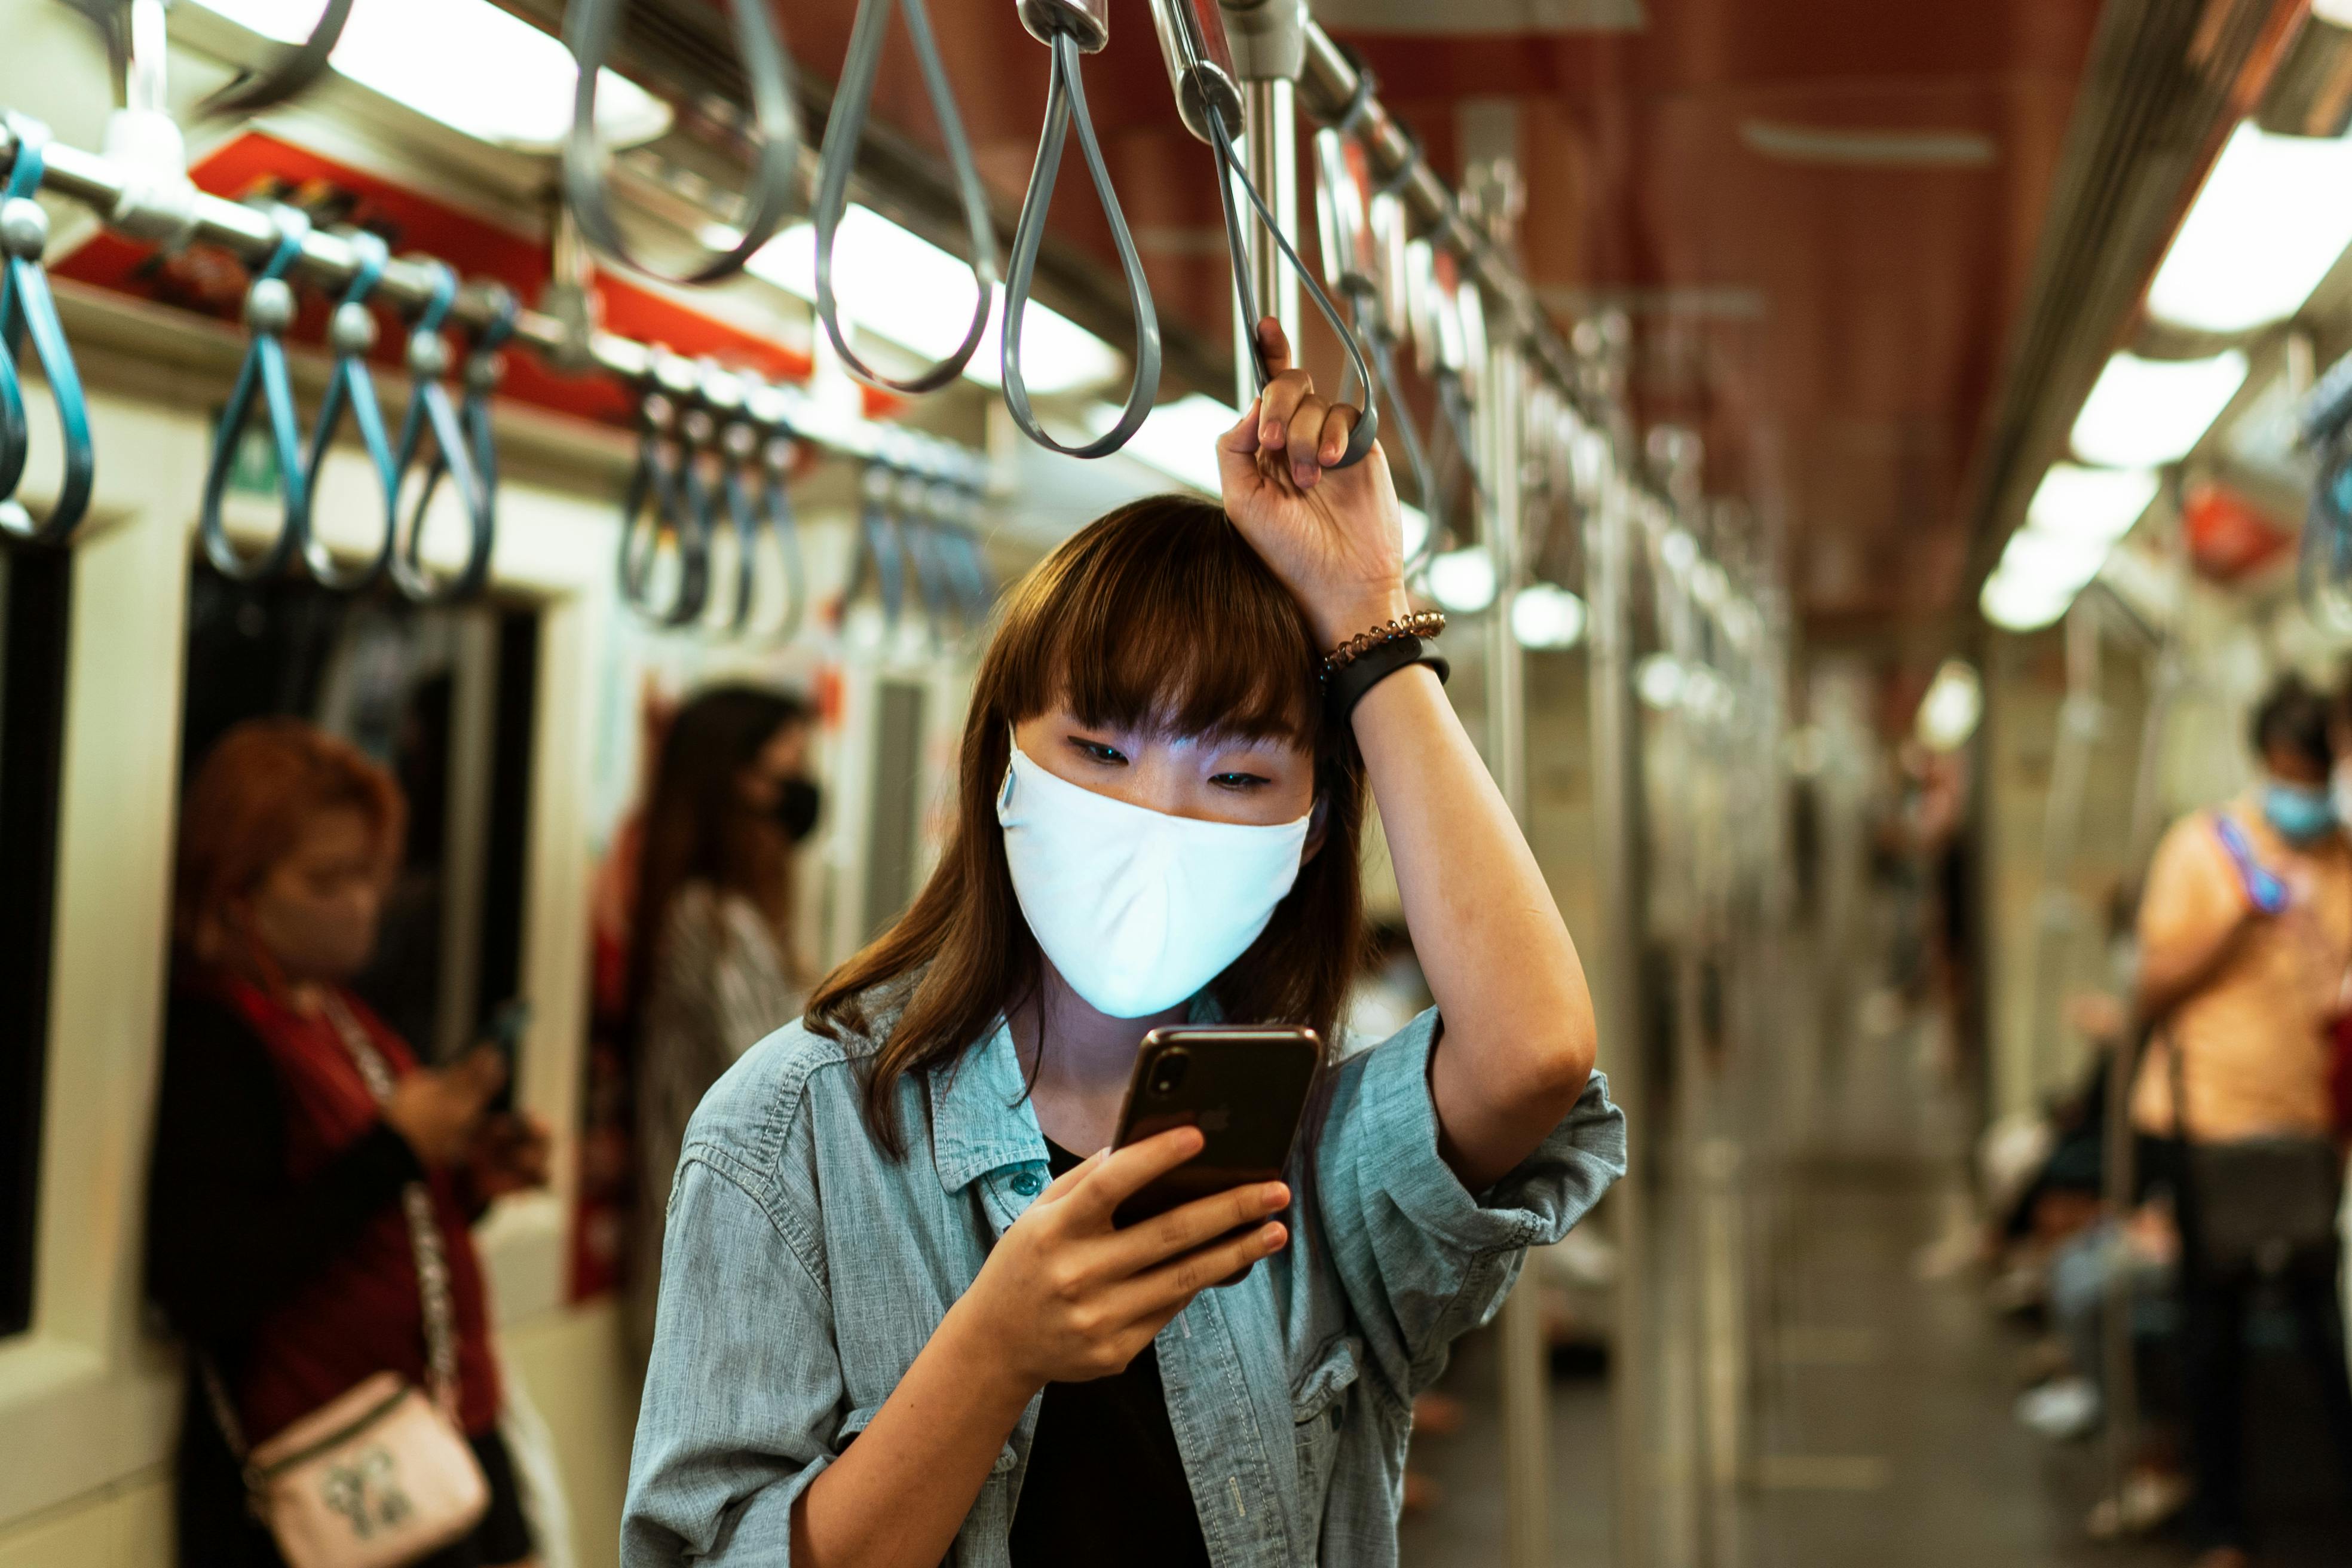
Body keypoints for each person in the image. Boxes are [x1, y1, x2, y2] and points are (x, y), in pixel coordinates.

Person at [621, 322, 1625, 1567]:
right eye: (1099, 752)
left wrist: (1369, 620)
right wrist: (996, 1351)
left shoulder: (1310, 1151)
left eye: (1238, 774)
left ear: (1312, 837)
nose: (1155, 818)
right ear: (1001, 766)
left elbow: (1533, 1053)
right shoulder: (791, 1136)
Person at [149, 718, 549, 1568]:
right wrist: (397, 1152)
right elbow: (212, 1276)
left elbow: (371, 1225)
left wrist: (466, 1175)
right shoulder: (216, 1041)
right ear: (236, 895)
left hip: (432, 1425)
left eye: (369, 875)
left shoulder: (335, 1011)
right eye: (328, 881)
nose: (363, 905)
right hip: (335, 1466)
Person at [2130, 676, 2352, 1568]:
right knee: (2208, 1330)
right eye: (2294, 774)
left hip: (2306, 1126)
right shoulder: (2204, 850)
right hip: (2206, 1124)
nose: (2305, 795)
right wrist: (2237, 925)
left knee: (2319, 1329)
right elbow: (2151, 982)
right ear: (2267, 764)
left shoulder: (2341, 861)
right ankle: (2221, 1525)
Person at [624, 684, 818, 1354]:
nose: (799, 791)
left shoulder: (745, 914)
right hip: (713, 1251)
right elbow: (775, 1076)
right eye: (786, 768)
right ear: (739, 782)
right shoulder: (706, 919)